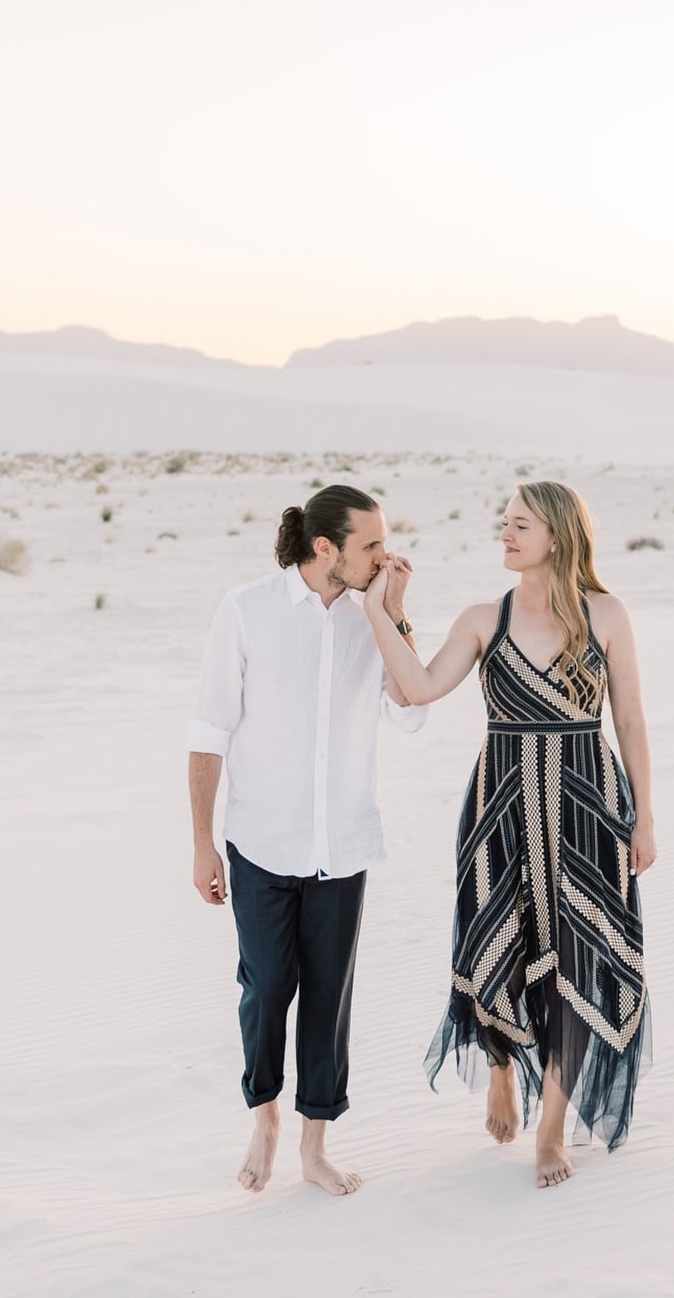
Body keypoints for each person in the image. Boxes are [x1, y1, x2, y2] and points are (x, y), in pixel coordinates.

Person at [364, 480, 654, 1189]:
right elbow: (416, 690)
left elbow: (632, 720)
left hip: (587, 806)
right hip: (501, 804)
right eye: (504, 523)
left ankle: (551, 1126)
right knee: (494, 939)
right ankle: (500, 1067)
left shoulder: (607, 614)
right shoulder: (481, 618)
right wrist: (387, 614)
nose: (505, 533)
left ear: (556, 534)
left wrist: (646, 815)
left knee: (580, 960)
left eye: (519, 524)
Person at [187, 484, 424, 1196]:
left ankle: (314, 1145)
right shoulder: (247, 610)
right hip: (259, 843)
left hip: (342, 847)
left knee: (329, 997)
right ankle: (263, 1117)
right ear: (327, 550)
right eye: (372, 546)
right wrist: (203, 844)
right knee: (265, 989)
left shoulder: (371, 619)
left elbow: (410, 711)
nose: (387, 556)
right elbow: (208, 733)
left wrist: (396, 616)